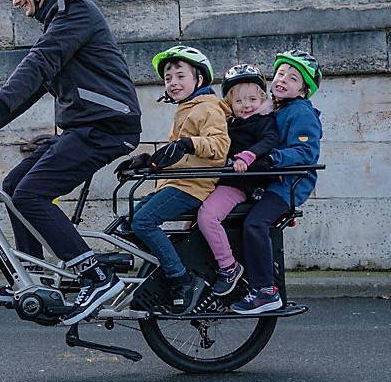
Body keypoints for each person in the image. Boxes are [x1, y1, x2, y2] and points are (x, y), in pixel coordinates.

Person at [0, 0, 142, 325]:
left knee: (31, 194)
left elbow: (38, 64)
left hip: (107, 127)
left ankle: (96, 277)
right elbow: (37, 81)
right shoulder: (58, 22)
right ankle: (36, 280)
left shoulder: (74, 12)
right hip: (88, 127)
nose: (15, 0)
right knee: (14, 185)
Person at [117, 46, 230, 314]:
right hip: (176, 182)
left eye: (180, 76)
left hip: (192, 186)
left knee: (143, 221)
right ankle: (171, 264)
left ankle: (181, 279)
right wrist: (147, 161)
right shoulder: (187, 108)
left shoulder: (208, 107)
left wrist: (190, 143)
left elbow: (219, 145)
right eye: (168, 78)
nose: (173, 83)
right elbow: (177, 154)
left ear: (199, 79)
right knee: (127, 225)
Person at [232, 50, 323, 315]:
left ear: (304, 90)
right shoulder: (274, 106)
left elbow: (305, 153)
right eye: (281, 73)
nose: (283, 79)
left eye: (293, 78)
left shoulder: (301, 112)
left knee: (255, 223)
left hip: (287, 184)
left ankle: (265, 291)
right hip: (269, 179)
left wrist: (272, 158)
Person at [196, 64, 280, 297]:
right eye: (239, 101)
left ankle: (228, 267)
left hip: (239, 183)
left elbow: (269, 140)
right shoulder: (228, 123)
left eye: (252, 99)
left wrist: (246, 157)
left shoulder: (264, 122)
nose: (246, 106)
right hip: (220, 179)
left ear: (262, 99)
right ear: (230, 104)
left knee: (208, 216)